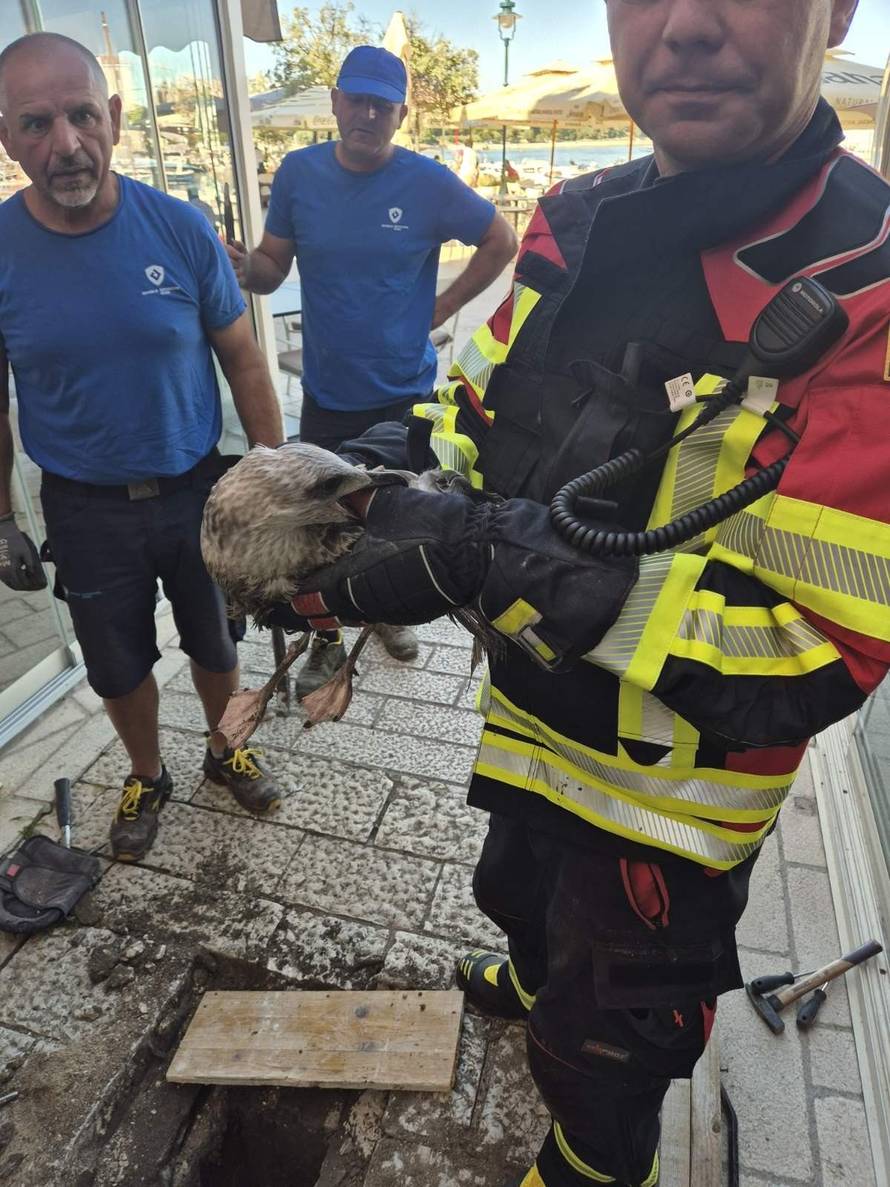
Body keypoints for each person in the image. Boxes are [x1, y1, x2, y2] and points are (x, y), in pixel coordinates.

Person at [264, 1, 885, 1184]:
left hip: (663, 817)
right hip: (536, 733)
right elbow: (477, 411)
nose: (687, 25)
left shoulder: (868, 285)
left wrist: (493, 553)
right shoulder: (573, 219)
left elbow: (813, 651)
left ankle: (595, 1161)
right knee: (515, 893)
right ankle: (540, 967)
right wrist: (377, 480)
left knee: (604, 1053)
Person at [0, 33, 285, 864]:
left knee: (214, 638)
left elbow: (241, 357)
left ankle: (225, 746)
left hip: (196, 486)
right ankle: (147, 772)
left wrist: (274, 476)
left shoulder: (179, 227)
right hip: (83, 506)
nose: (66, 144)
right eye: (36, 123)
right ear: (7, 137)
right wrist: (2, 522)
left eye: (83, 115)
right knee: (115, 663)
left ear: (116, 118)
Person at [227, 45, 517, 696]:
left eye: (381, 105)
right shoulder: (299, 174)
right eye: (355, 99)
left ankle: (386, 613)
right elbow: (274, 266)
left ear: (401, 114)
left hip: (404, 392)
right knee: (318, 527)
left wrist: (446, 303)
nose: (366, 114)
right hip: (328, 393)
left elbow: (502, 239)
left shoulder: (429, 182)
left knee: (394, 519)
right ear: (334, 101)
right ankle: (326, 641)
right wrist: (248, 269)